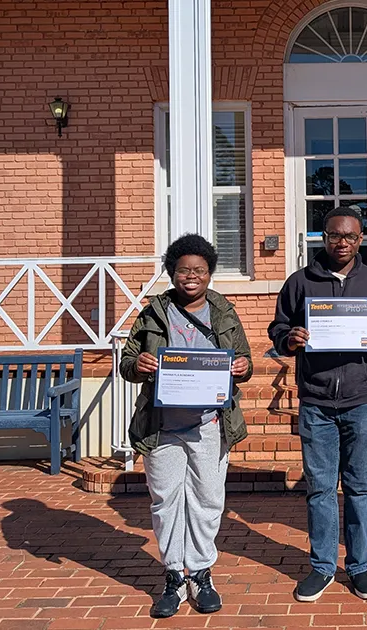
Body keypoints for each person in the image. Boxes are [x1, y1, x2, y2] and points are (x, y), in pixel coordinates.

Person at [268, 205, 367, 602]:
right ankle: (323, 566)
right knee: (321, 488)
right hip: (316, 400)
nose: (341, 242)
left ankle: (359, 565)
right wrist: (288, 339)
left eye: (350, 236)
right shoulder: (300, 282)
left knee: (360, 487)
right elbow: (278, 328)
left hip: (361, 399)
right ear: (322, 237)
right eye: (334, 235)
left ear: (361, 239)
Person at [118, 233, 253, 618]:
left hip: (210, 423)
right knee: (166, 501)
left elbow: (243, 360)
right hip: (162, 426)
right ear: (171, 272)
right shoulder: (152, 313)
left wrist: (243, 367)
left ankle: (201, 571)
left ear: (210, 274)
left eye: (200, 270)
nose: (191, 276)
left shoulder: (224, 312)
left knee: (208, 499)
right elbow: (128, 362)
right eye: (183, 270)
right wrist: (138, 365)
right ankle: (174, 574)